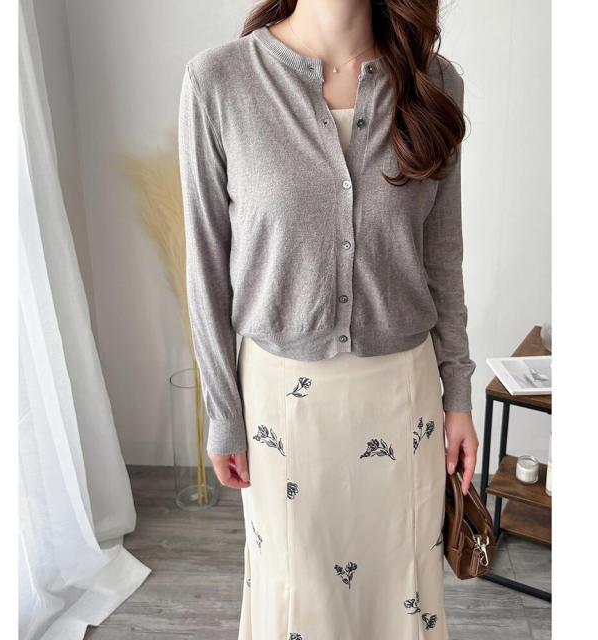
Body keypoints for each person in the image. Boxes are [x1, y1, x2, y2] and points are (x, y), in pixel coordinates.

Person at [177, 1, 479, 637]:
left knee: (400, 592)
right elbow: (205, 266)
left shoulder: (433, 82)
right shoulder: (219, 82)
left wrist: (458, 394)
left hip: (403, 399)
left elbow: (442, 259)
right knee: (297, 597)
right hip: (281, 406)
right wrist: (222, 411)